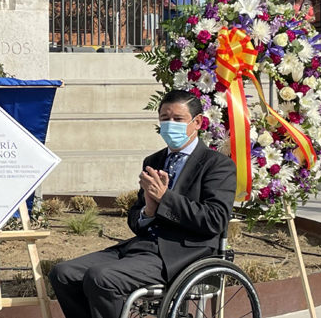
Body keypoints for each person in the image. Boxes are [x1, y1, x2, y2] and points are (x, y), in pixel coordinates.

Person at [48, 90, 236, 318]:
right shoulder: (154, 161)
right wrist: (149, 209)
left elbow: (214, 220)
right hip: (142, 248)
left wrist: (165, 198)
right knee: (64, 273)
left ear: (197, 122)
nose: (170, 124)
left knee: (102, 277)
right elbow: (136, 221)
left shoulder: (217, 165)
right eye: (165, 118)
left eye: (177, 119)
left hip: (184, 253)